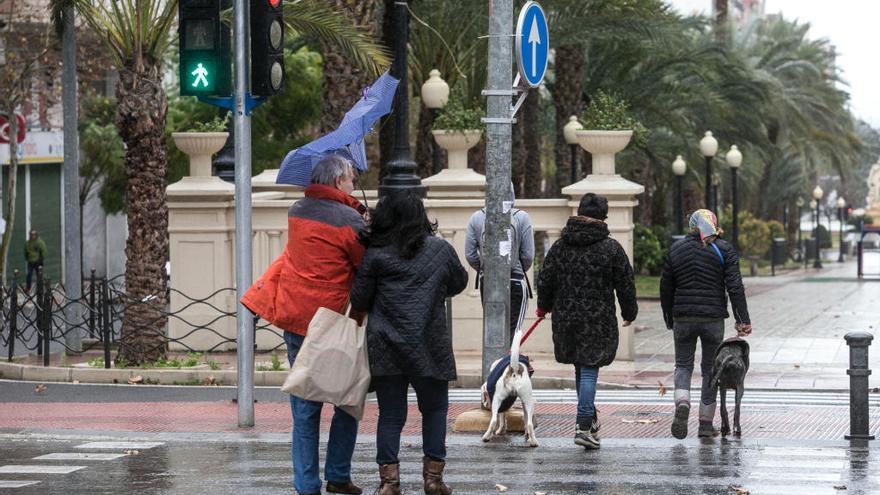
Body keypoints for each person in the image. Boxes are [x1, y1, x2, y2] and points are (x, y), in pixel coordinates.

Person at [241, 155, 367, 495]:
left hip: (298, 320)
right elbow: (362, 263)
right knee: (347, 398)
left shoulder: (297, 211)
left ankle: (306, 484)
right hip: (335, 321)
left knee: (305, 405)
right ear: (339, 180)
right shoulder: (349, 220)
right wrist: (365, 224)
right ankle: (338, 475)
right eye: (352, 177)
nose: (354, 182)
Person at [349, 190, 468, 495]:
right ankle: (433, 479)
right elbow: (459, 282)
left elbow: (359, 299)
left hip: (386, 344)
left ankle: (389, 483)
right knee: (435, 409)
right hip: (430, 343)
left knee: (391, 414)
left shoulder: (376, 254)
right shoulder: (440, 250)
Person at [535, 193, 638, 450]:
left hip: (566, 317)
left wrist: (543, 306)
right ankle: (583, 425)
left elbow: (546, 278)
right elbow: (625, 282)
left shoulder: (561, 246)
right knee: (589, 368)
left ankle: (590, 421)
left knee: (582, 368)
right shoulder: (611, 248)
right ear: (603, 217)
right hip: (597, 318)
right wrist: (629, 312)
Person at [660, 209, 752, 440]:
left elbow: (665, 288)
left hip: (683, 317)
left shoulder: (676, 249)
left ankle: (683, 401)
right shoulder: (724, 249)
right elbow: (735, 286)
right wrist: (743, 320)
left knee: (683, 365)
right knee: (711, 370)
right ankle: (705, 423)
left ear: (692, 227)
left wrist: (669, 316)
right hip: (713, 319)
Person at [464, 182, 535, 343]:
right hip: (515, 281)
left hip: (488, 282)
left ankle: (494, 365)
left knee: (494, 332)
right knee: (513, 333)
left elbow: (470, 254)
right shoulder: (521, 217)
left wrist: (485, 268)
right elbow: (528, 256)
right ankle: (507, 364)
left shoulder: (477, 218)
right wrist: (515, 268)